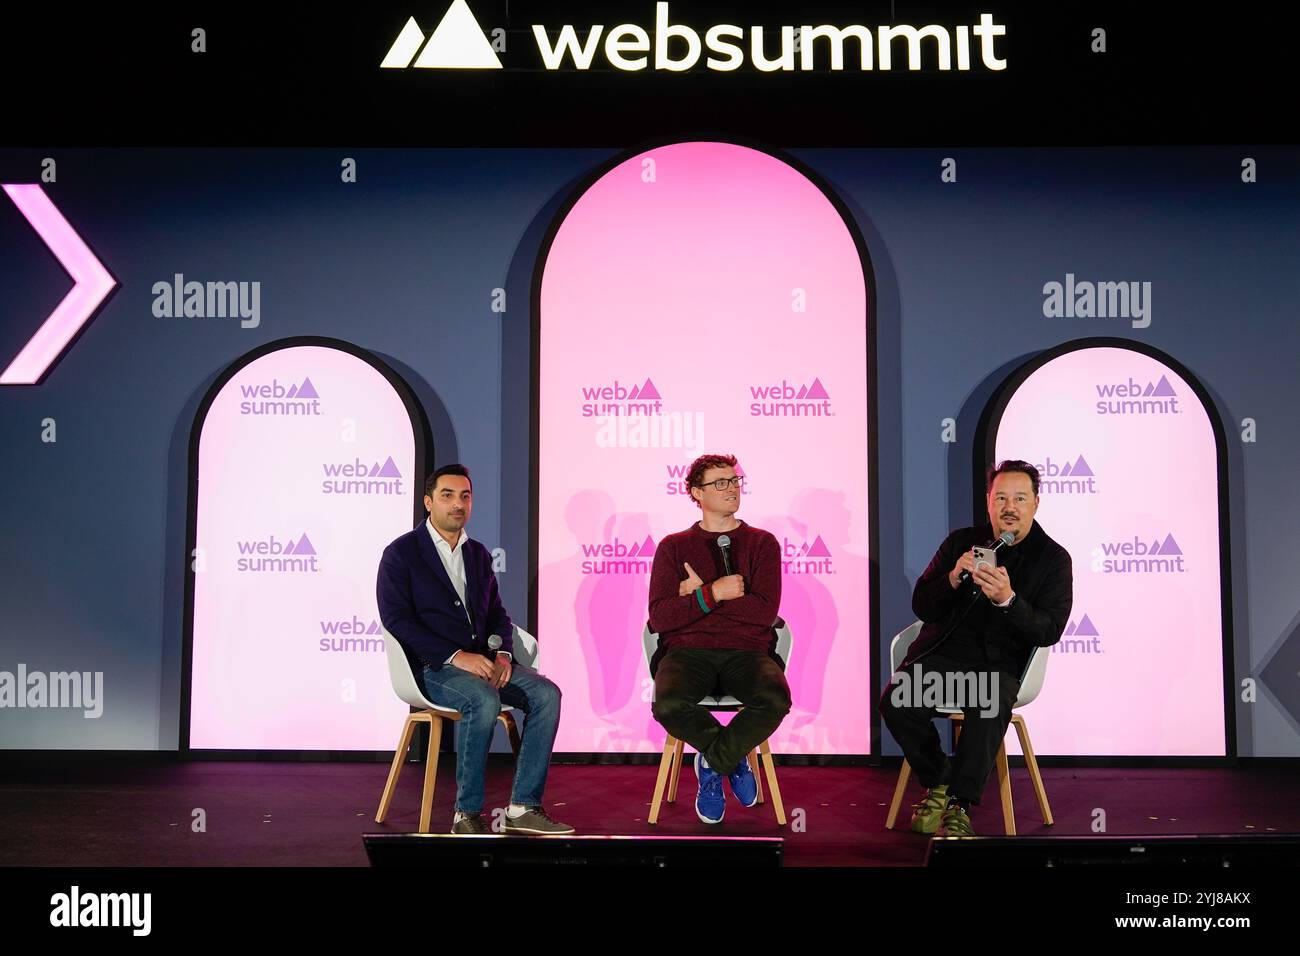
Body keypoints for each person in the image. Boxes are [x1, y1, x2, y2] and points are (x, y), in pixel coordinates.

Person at [377, 464, 572, 835]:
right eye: (447, 495)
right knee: (482, 699)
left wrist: (502, 654)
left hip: (484, 663)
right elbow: (397, 619)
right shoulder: (401, 554)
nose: (457, 504)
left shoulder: (478, 554)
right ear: (428, 502)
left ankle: (523, 807)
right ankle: (466, 815)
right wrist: (455, 657)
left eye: (465, 496)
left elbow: (498, 614)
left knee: (547, 694)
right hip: (432, 668)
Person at [881, 459, 1072, 837]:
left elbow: (1049, 629)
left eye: (1019, 497)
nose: (1009, 507)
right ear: (988, 502)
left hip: (998, 667)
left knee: (988, 701)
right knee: (896, 700)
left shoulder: (1053, 559)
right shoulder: (961, 542)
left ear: (1036, 503)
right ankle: (939, 781)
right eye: (1000, 497)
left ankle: (959, 804)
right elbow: (923, 605)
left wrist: (1008, 600)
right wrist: (952, 577)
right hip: (942, 659)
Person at [648, 453, 791, 824]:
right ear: (697, 492)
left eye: (734, 481)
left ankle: (712, 763)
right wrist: (715, 593)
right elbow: (661, 617)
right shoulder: (673, 546)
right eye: (720, 483)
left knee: (775, 699)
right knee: (667, 705)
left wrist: (696, 597)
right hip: (687, 652)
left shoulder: (763, 543)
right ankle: (732, 756)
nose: (731, 488)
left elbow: (763, 613)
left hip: (748, 651)